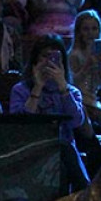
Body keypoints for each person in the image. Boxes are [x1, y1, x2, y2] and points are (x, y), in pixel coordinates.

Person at [8, 34, 93, 191]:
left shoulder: (71, 91)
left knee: (62, 151)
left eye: (54, 58)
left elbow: (76, 122)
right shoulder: (20, 90)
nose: (49, 62)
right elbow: (20, 124)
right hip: (31, 149)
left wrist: (62, 86)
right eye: (45, 57)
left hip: (63, 153)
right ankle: (86, 191)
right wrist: (38, 87)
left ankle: (81, 193)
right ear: (35, 60)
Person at [68, 8, 101, 151]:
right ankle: (95, 153)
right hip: (78, 100)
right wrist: (87, 66)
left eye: (94, 29)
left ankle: (100, 153)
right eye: (86, 29)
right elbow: (72, 83)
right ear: (79, 32)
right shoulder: (73, 55)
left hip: (93, 100)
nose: (90, 33)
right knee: (88, 132)